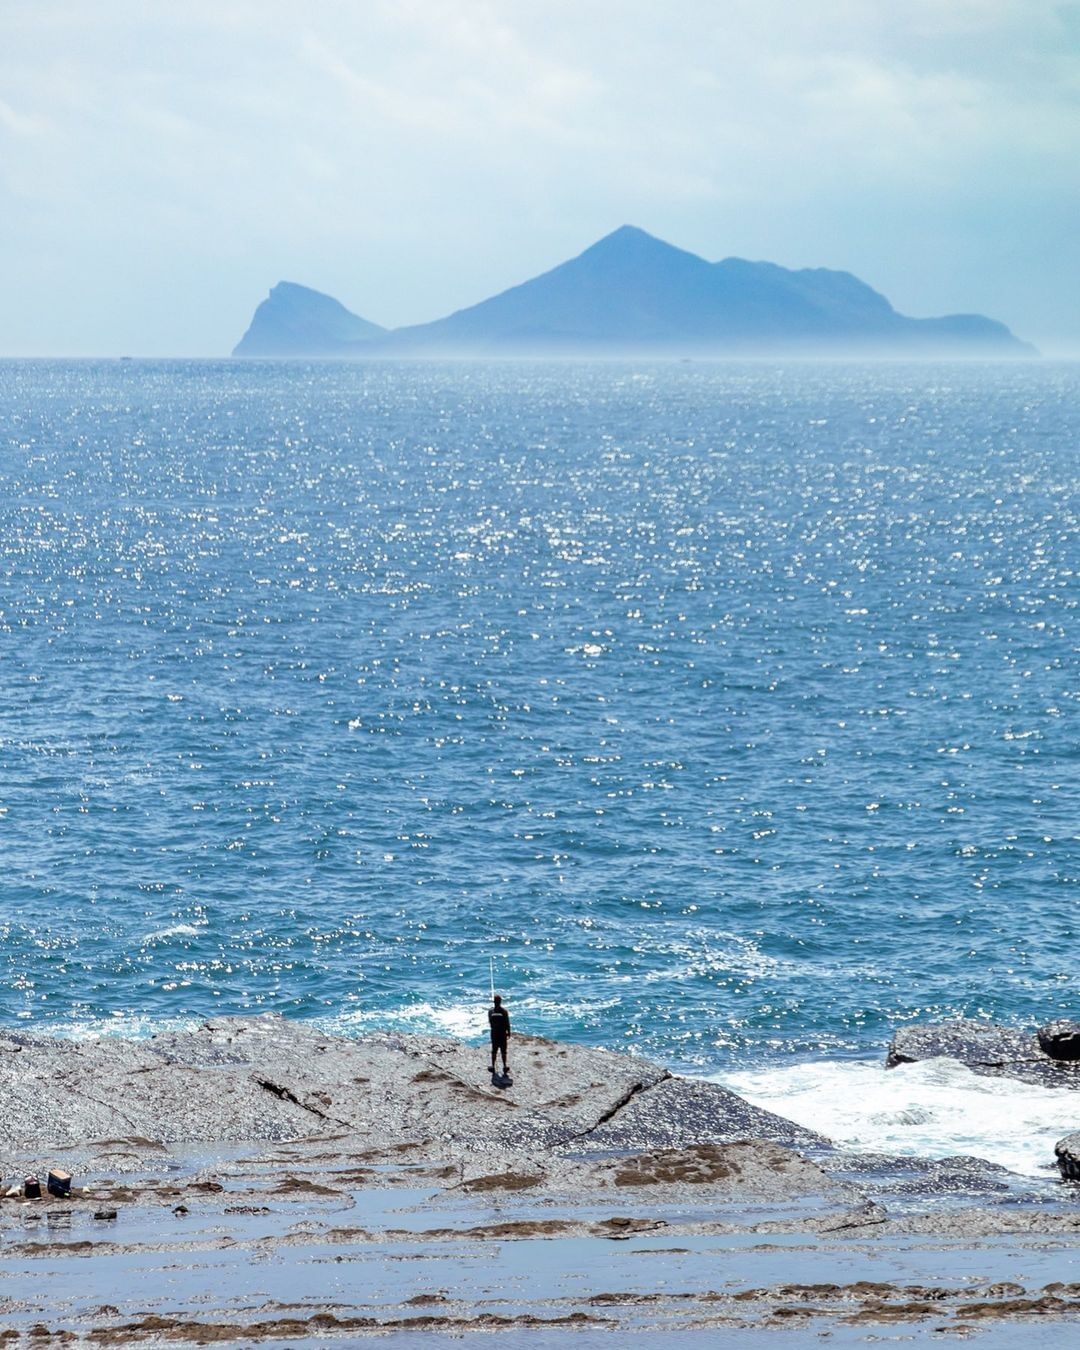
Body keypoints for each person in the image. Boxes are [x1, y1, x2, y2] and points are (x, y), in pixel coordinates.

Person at [488, 993, 510, 1075]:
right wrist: (509, 1032)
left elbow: (490, 1022)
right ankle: (504, 1066)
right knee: (503, 1050)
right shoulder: (504, 1011)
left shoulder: (490, 1011)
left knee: (494, 1050)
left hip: (494, 1033)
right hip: (502, 1034)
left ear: (494, 1002)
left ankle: (493, 1067)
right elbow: (507, 1023)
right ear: (500, 1002)